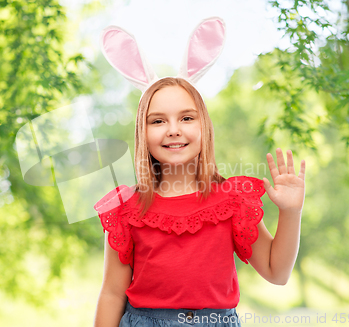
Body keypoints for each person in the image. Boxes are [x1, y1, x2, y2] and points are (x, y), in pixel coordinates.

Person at [93, 18, 306, 327]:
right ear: (142, 132)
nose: (173, 130)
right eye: (158, 121)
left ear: (204, 126)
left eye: (187, 118)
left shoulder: (232, 200)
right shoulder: (127, 209)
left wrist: (291, 212)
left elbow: (277, 272)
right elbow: (112, 294)